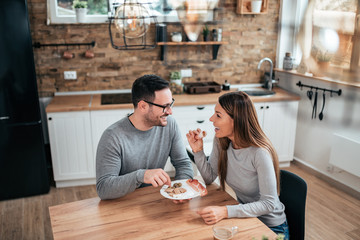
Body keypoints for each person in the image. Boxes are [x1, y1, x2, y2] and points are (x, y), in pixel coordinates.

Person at [186, 91, 289, 239]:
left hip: (272, 227)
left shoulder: (259, 153)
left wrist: (225, 211)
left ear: (236, 120)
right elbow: (209, 177)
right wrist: (198, 151)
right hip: (245, 217)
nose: (211, 119)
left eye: (218, 115)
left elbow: (269, 203)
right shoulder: (222, 141)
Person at [96, 74, 194, 200]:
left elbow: (183, 164)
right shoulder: (113, 137)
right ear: (143, 106)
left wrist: (181, 192)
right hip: (122, 203)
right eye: (165, 106)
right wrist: (141, 176)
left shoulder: (170, 124)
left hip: (154, 199)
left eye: (171, 104)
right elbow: (104, 189)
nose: (170, 112)